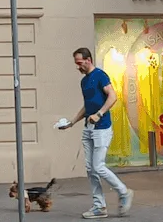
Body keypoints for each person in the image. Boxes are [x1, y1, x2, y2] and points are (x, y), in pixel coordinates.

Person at [59, 47, 133, 218]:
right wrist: (71, 122)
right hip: (89, 128)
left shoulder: (100, 75)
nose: (78, 67)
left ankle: (124, 192)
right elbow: (87, 106)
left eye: (79, 63)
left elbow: (112, 96)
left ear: (88, 60)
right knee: (91, 169)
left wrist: (99, 114)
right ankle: (99, 206)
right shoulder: (84, 82)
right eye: (76, 64)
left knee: (98, 166)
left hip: (102, 128)